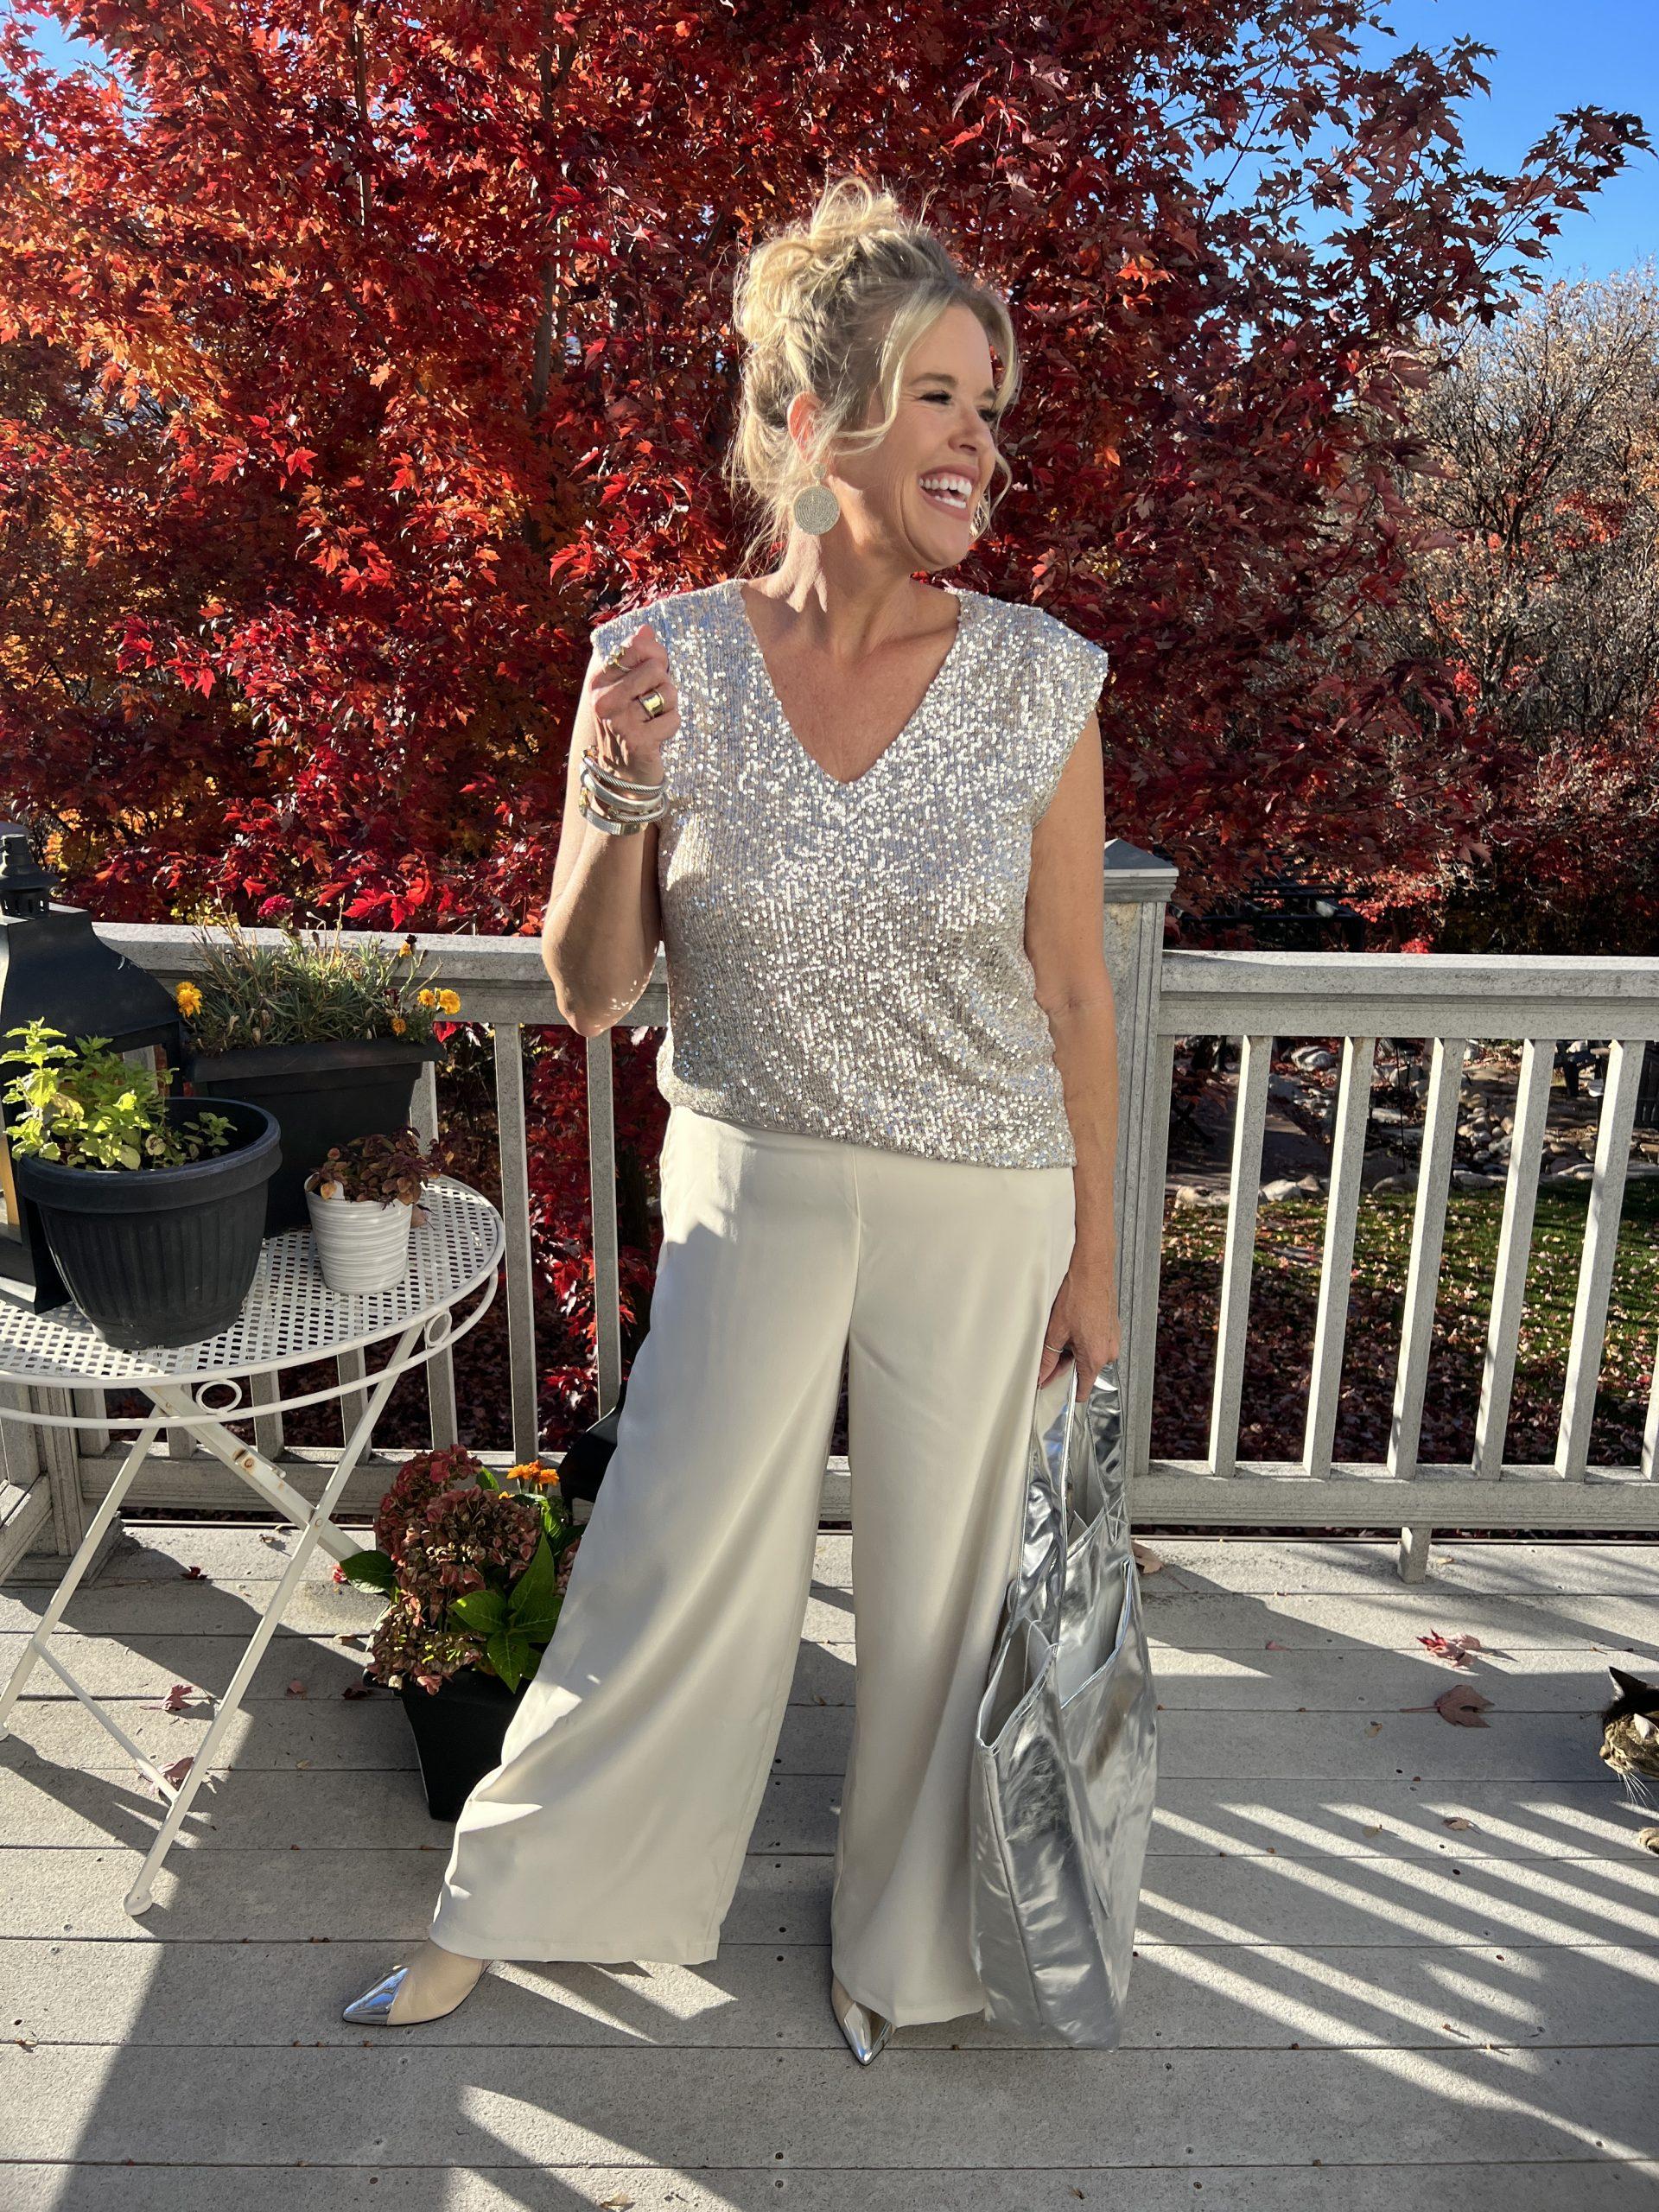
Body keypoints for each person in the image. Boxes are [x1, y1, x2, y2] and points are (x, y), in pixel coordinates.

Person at [342, 172, 1122, 2065]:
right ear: (812, 415)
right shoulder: (658, 660)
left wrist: (1099, 1253)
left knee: (941, 1596)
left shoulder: (1040, 679)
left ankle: (902, 1949)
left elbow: (1075, 989)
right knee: (667, 1553)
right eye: (939, 397)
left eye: (991, 406)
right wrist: (617, 794)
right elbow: (595, 986)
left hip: (987, 1191)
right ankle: (516, 1897)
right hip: (746, 1175)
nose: (981, 443)